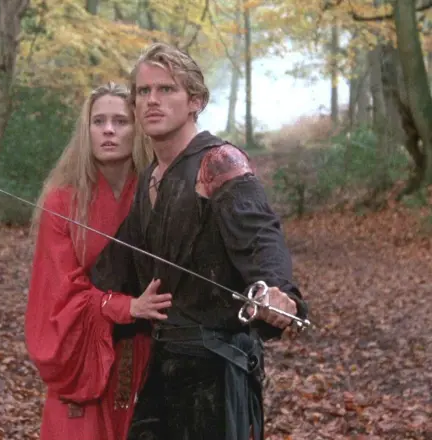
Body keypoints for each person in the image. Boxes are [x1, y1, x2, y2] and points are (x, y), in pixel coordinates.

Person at [89, 43, 309, 440]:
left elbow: (260, 234)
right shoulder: (151, 175)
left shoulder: (220, 162)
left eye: (166, 89)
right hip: (165, 365)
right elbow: (116, 267)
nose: (152, 100)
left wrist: (277, 291)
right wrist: (74, 292)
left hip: (215, 371)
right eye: (143, 91)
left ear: (196, 101)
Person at [24, 82, 173, 440]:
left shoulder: (159, 192)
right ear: (86, 131)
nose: (108, 130)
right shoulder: (61, 201)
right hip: (86, 352)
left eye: (120, 121)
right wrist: (125, 306)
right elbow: (60, 290)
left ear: (138, 129)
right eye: (98, 121)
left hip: (152, 349)